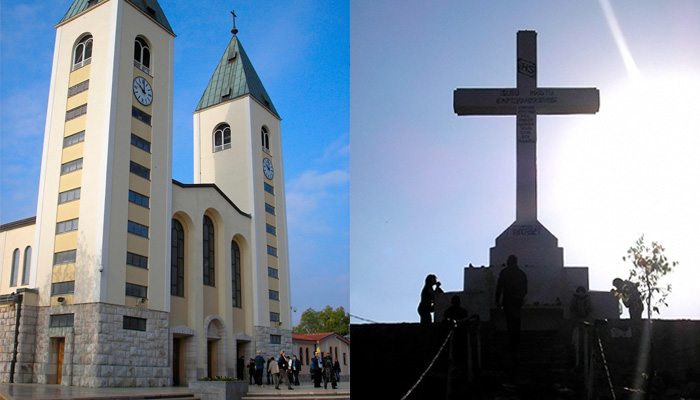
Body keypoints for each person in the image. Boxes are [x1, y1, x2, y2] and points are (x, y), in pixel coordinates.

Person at [495, 255, 528, 350]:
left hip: (508, 300)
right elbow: (525, 289)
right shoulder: (521, 273)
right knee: (517, 321)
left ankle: (511, 342)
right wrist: (520, 297)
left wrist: (497, 300)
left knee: (510, 321)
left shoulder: (504, 272)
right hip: (517, 301)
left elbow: (499, 287)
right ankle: (517, 341)